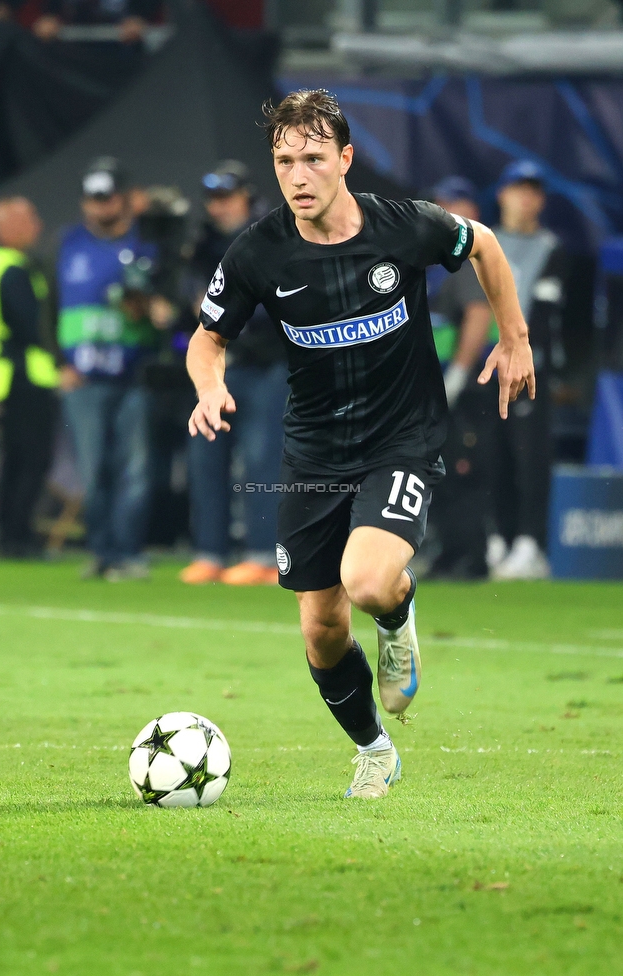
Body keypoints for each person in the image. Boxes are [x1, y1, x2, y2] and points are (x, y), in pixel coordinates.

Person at [186, 90, 535, 799]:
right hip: (313, 450)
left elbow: (485, 246)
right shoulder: (259, 250)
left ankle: (398, 616)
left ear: (345, 159)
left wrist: (515, 336)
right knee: (320, 629)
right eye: (285, 161)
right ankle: (374, 750)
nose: (298, 175)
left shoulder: (403, 228)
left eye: (313, 158)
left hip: (401, 439)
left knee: (368, 580)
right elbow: (207, 337)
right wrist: (208, 386)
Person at [180, 161, 287, 586]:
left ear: (246, 195)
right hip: (220, 363)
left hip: (268, 362)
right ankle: (211, 553)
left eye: (227, 197)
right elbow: (191, 294)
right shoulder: (202, 242)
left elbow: (283, 298)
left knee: (262, 459)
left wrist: (226, 311)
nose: (219, 207)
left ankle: (263, 555)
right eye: (213, 199)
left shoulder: (274, 233)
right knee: (206, 456)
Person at [57, 156, 160, 581]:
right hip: (83, 379)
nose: (100, 205)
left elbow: (165, 312)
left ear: (125, 199)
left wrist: (151, 310)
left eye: (108, 196)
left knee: (135, 470)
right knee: (93, 470)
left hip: (135, 374)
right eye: (93, 198)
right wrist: (59, 362)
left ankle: (128, 552)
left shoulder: (148, 245)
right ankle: (101, 552)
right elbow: (51, 309)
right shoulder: (68, 245)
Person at [489, 160, 566, 579]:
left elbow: (552, 317)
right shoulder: (485, 243)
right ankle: (499, 537)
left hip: (530, 368)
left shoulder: (552, 248)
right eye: (519, 188)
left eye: (534, 190)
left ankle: (530, 542)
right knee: (491, 453)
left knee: (529, 456)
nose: (526, 197)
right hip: (489, 364)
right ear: (502, 193)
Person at [0, 197, 59, 557]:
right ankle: (17, 536)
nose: (37, 226)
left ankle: (7, 534)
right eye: (30, 219)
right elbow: (31, 326)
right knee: (31, 459)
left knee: (12, 460)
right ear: (9, 227)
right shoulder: (14, 268)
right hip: (22, 377)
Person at [426, 176, 495, 578]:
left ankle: (471, 555)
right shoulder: (438, 257)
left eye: (457, 204)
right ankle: (451, 550)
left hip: (463, 387)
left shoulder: (467, 255)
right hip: (440, 382)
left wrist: (458, 373)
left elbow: (478, 314)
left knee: (463, 467)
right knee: (443, 469)